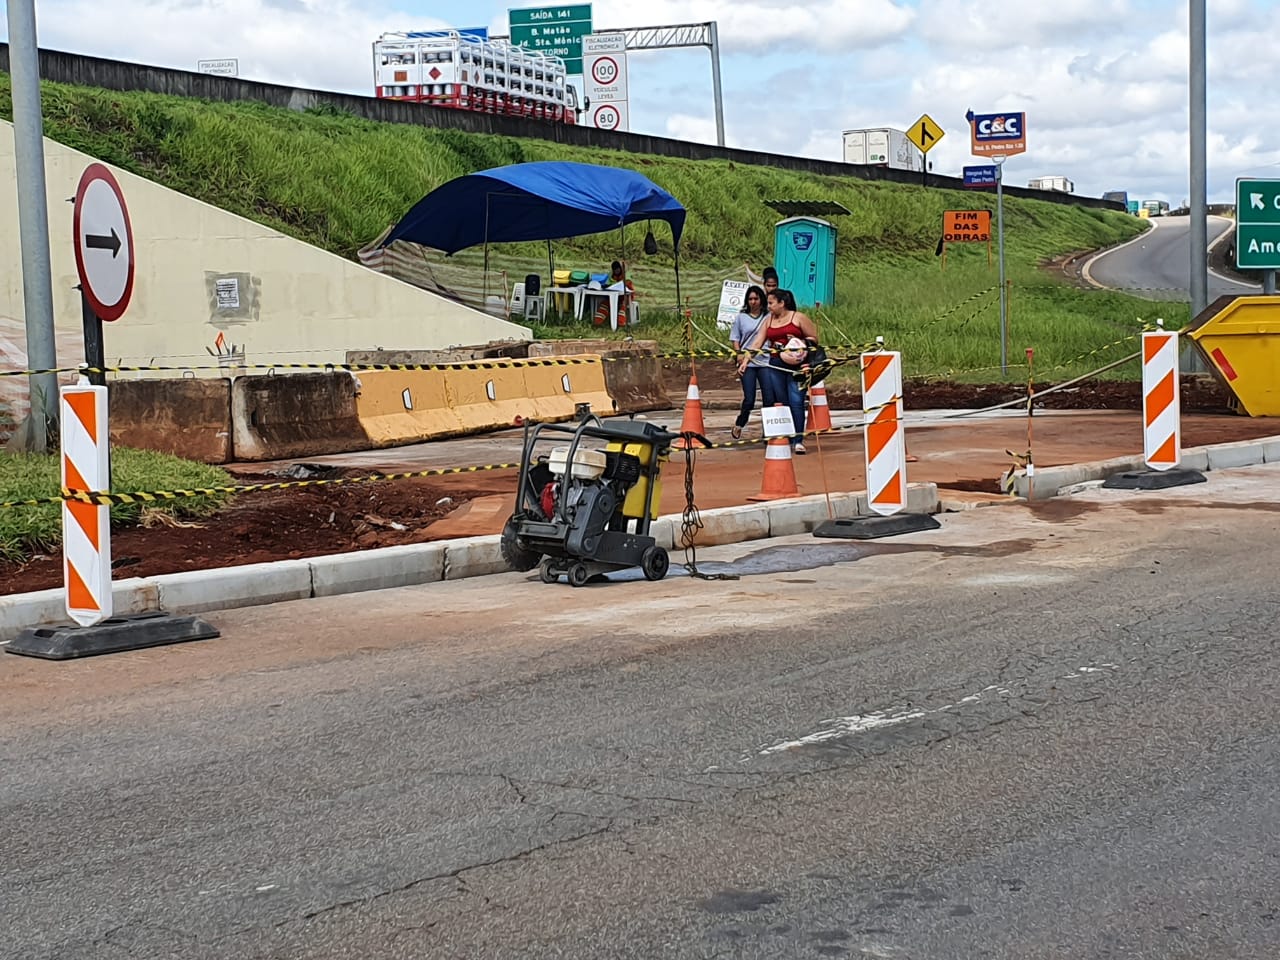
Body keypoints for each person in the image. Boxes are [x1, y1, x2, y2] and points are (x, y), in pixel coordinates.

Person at [739, 288, 819, 454]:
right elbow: (757, 343)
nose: (768, 306)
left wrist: (798, 343)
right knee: (783, 400)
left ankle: (798, 440)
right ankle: (788, 436)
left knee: (796, 400)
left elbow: (814, 339)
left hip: (798, 365)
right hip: (776, 364)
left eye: (771, 303)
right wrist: (746, 361)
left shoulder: (798, 318)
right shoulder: (768, 321)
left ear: (782, 303)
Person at [728, 285, 770, 440]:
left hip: (765, 361)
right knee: (750, 399)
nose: (753, 302)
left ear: (761, 300)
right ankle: (740, 423)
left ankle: (768, 430)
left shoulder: (768, 316)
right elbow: (735, 338)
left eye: (756, 298)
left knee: (769, 398)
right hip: (748, 362)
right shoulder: (741, 317)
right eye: (750, 299)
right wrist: (739, 354)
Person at [593, 260, 634, 327]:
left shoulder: (626, 276)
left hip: (625, 297)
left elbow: (629, 289)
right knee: (604, 304)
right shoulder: (610, 276)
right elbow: (607, 284)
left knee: (623, 306)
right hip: (612, 296)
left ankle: (621, 323)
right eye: (615, 269)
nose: (616, 271)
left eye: (618, 269)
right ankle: (597, 323)